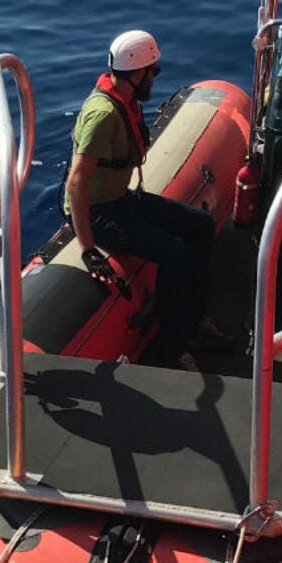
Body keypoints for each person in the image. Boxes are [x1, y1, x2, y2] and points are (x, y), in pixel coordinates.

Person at [63, 30, 228, 372]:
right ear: (137, 73)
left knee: (201, 225)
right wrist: (88, 249)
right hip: (98, 211)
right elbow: (76, 182)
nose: (156, 77)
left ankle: (195, 322)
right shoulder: (104, 116)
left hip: (120, 198)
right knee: (173, 251)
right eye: (153, 71)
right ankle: (170, 348)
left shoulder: (125, 101)